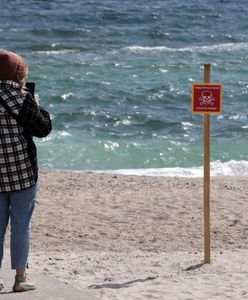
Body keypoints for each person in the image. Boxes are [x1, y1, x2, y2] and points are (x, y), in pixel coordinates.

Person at [0, 50, 52, 292]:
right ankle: (20, 278)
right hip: (23, 172)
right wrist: (38, 107)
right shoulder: (22, 99)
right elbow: (42, 129)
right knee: (21, 224)